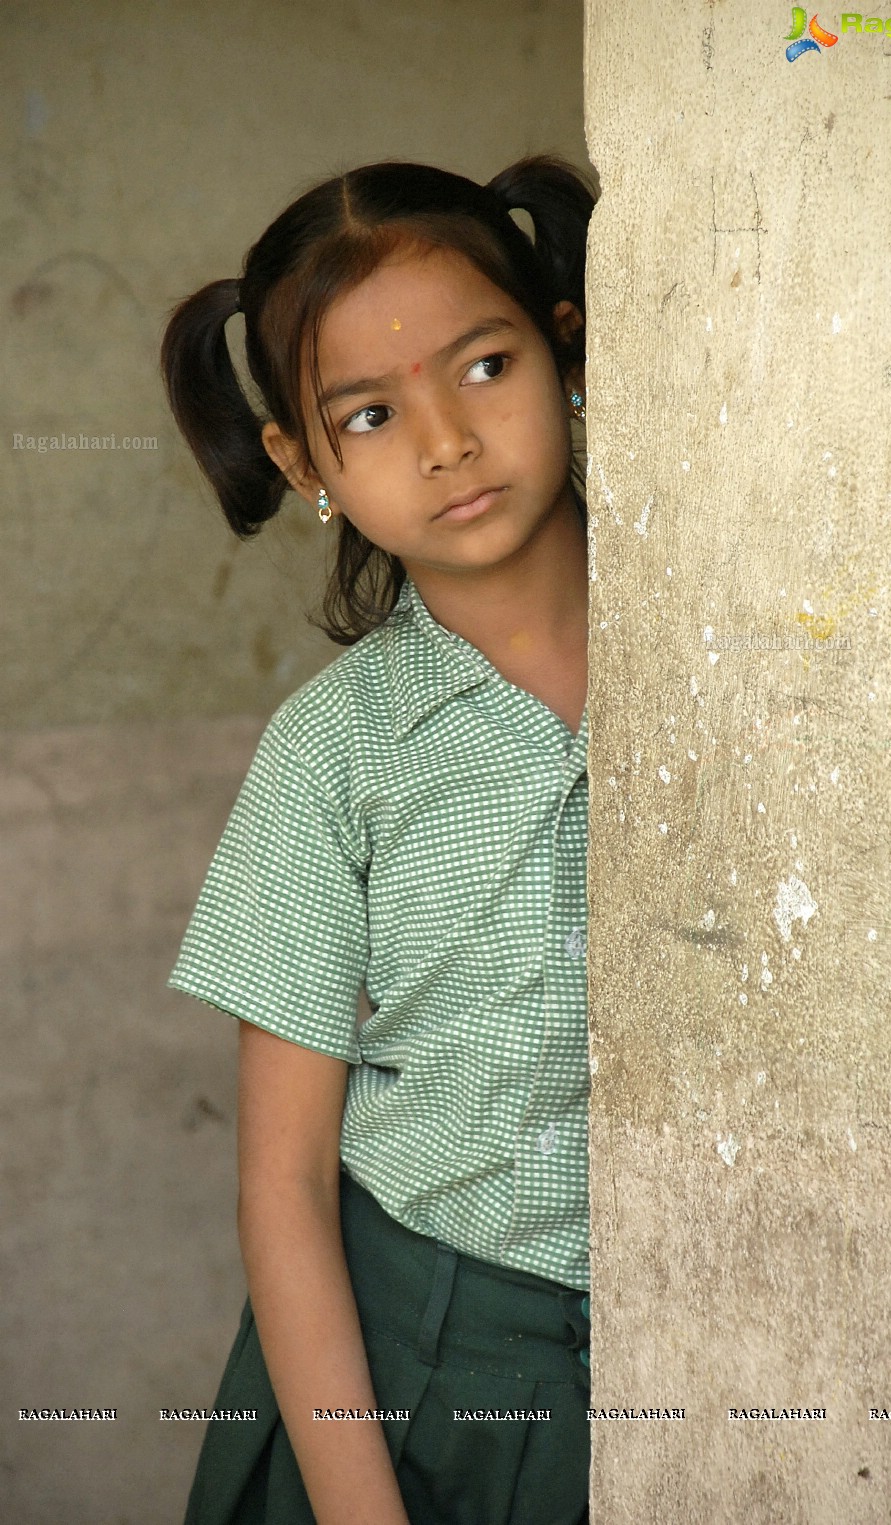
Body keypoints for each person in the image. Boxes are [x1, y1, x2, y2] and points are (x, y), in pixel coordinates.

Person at [159, 150, 596, 1525]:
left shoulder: (740, 656)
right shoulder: (331, 753)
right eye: (367, 414)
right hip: (422, 1356)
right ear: (302, 463)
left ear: (565, 348)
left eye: (483, 367)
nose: (445, 442)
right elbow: (284, 1185)